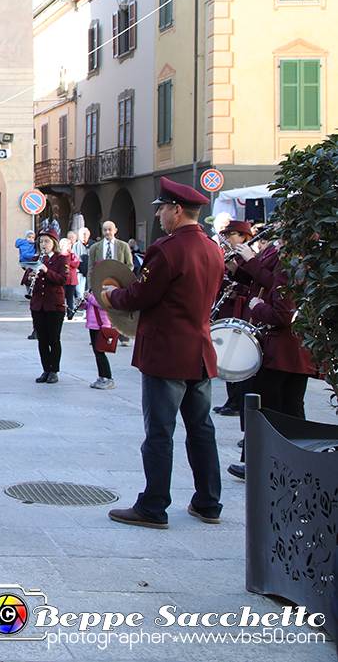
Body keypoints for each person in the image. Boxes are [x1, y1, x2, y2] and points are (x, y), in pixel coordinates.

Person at [102, 177, 225, 529]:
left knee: (159, 432)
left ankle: (153, 505)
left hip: (167, 352)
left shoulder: (167, 249)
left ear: (177, 210)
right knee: (202, 430)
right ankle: (208, 502)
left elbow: (141, 295)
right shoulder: (213, 248)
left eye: (162, 209)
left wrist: (111, 296)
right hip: (199, 351)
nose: (159, 216)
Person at [225, 233, 315, 479]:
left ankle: (254, 463)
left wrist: (258, 307)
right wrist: (240, 267)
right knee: (291, 406)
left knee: (259, 404)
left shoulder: (290, 269)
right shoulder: (302, 264)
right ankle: (300, 462)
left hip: (284, 348)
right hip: (297, 349)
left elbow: (281, 314)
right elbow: (264, 279)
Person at [212, 219, 255, 415]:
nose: (227, 239)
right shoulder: (233, 255)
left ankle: (238, 402)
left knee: (237, 355)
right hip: (227, 309)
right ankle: (232, 399)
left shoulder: (250, 255)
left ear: (243, 236)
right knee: (226, 354)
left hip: (242, 310)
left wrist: (238, 292)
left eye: (231, 235)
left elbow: (254, 282)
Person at [29, 228, 68, 383]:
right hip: (38, 304)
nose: (43, 244)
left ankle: (54, 370)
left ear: (54, 243)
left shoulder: (61, 259)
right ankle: (45, 369)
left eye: (46, 241)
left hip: (54, 304)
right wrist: (30, 275)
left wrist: (45, 270)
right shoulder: (36, 258)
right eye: (41, 241)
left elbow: (62, 280)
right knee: (42, 340)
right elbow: (25, 280)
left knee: (54, 339)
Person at [82, 290, 115, 390]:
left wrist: (90, 298)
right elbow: (92, 306)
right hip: (93, 324)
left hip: (102, 325)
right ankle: (101, 376)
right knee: (96, 352)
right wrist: (83, 305)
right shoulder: (93, 290)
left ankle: (108, 378)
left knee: (100, 352)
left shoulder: (104, 291)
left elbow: (103, 305)